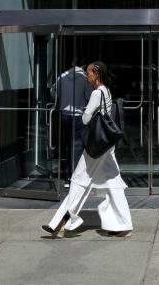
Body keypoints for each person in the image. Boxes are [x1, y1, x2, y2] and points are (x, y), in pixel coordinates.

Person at [42, 61, 133, 237]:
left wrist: (84, 111)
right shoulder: (106, 90)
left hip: (96, 147)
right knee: (114, 184)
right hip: (106, 145)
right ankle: (123, 224)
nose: (86, 75)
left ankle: (63, 221)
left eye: (89, 72)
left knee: (78, 180)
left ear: (97, 74)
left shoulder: (96, 94)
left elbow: (85, 119)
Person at [54, 60, 93, 182]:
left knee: (68, 145)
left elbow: (54, 94)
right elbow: (89, 96)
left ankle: (68, 175)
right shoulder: (84, 78)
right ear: (84, 65)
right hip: (78, 115)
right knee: (77, 146)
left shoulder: (62, 76)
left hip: (64, 115)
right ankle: (75, 176)